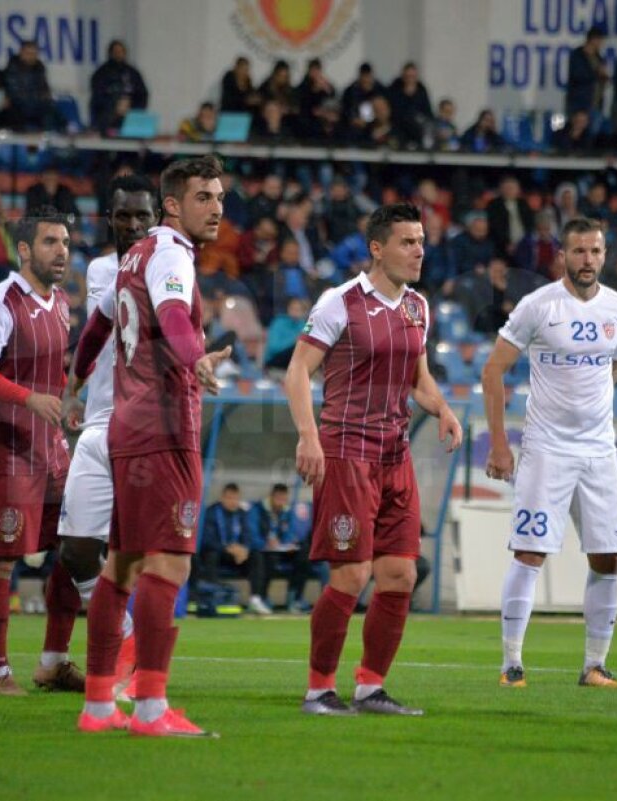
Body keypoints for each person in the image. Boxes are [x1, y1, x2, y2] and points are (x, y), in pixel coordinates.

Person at [286, 202, 462, 716]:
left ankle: (369, 687)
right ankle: (319, 689)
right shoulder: (339, 303)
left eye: (422, 241)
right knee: (350, 576)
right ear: (377, 249)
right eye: (408, 242)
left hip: (395, 453)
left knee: (401, 576)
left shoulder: (418, 308)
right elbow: (298, 372)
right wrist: (307, 436)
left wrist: (444, 409)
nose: (419, 251)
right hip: (346, 451)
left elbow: (418, 378)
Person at [75, 155, 231, 736]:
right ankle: (149, 708)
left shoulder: (132, 255)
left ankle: (97, 707)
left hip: (126, 426)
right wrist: (200, 362)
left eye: (219, 197)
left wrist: (75, 378)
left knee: (121, 566)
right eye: (203, 198)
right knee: (169, 564)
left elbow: (96, 327)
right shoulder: (169, 252)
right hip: (164, 430)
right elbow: (171, 316)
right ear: (172, 204)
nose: (216, 208)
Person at [481, 217, 617, 689]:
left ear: (604, 255)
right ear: (562, 256)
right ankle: (511, 665)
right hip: (546, 449)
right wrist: (500, 445)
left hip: (599, 451)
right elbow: (492, 372)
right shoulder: (538, 306)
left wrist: (595, 403)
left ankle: (594, 666)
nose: (587, 260)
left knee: (608, 557)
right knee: (530, 554)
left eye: (595, 252)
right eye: (578, 252)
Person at [0, 207, 83, 695]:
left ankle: (53, 663)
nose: (62, 252)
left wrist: (61, 405)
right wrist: (29, 398)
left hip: (51, 450)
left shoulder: (59, 304)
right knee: (0, 560)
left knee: (78, 550)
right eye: (51, 242)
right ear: (26, 250)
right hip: (8, 450)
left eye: (66, 242)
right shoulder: (1, 302)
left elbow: (50, 376)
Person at [59, 174, 158, 628]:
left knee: (141, 552)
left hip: (148, 427)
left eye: (143, 215)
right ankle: (123, 631)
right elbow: (95, 335)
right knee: (76, 549)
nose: (134, 224)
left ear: (156, 219)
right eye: (124, 215)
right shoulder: (99, 271)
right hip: (99, 421)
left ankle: (134, 659)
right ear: (110, 220)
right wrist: (73, 387)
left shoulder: (170, 268)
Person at [197, 483, 270, 615]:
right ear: (222, 498)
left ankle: (255, 599)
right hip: (219, 552)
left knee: (257, 556)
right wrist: (227, 548)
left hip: (238, 555)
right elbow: (207, 539)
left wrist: (245, 549)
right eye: (229, 498)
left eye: (235, 498)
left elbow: (248, 535)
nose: (233, 502)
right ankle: (213, 597)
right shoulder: (212, 512)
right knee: (210, 555)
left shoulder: (242, 513)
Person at [248, 482, 318, 612]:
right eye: (278, 499)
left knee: (304, 555)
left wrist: (287, 542)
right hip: (263, 550)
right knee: (267, 558)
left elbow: (290, 532)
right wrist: (265, 543)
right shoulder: (257, 509)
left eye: (284, 499)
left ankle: (294, 597)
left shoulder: (287, 511)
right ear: (271, 497)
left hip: (281, 549)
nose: (281, 503)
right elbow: (252, 533)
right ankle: (261, 597)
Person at [89, 39, 149, 135]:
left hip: (130, 119)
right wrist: (115, 106)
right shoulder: (100, 74)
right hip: (106, 120)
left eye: (121, 52)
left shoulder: (133, 73)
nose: (119, 54)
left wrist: (130, 107)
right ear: (110, 53)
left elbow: (142, 95)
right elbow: (97, 99)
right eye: (116, 52)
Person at [4, 41, 57, 131]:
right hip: (19, 107)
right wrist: (37, 98)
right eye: (28, 53)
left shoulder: (40, 68)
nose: (31, 57)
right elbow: (15, 92)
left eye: (34, 54)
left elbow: (44, 87)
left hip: (36, 105)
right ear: (21, 53)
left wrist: (46, 95)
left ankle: (61, 132)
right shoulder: (12, 68)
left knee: (50, 107)